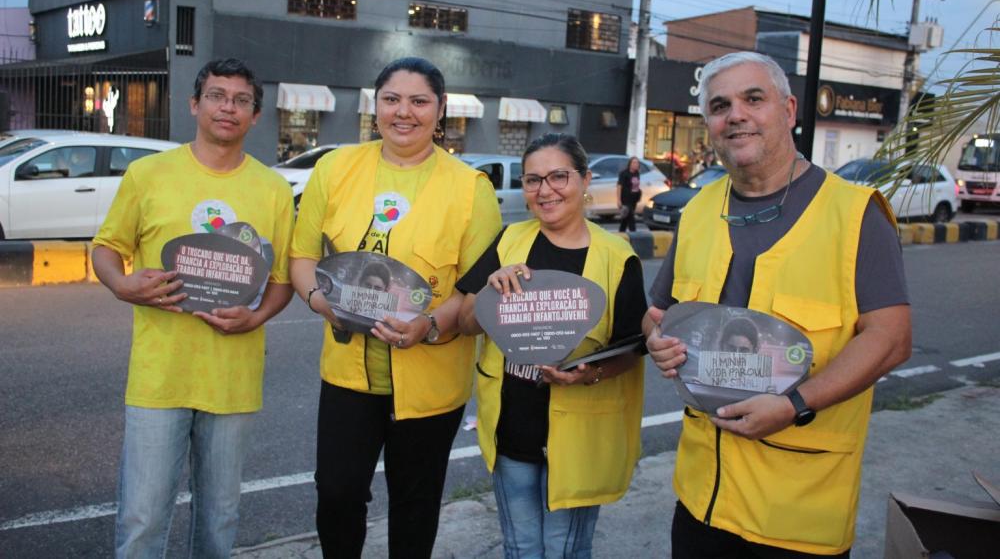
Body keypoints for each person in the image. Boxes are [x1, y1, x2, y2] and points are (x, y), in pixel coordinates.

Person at [643, 51, 911, 557]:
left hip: (799, 512)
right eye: (720, 105)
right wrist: (658, 340)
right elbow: (659, 311)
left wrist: (793, 405)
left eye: (753, 99)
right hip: (703, 499)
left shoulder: (854, 214)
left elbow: (891, 339)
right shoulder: (699, 210)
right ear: (709, 126)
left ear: (788, 111)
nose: (736, 114)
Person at [289, 56, 502, 559]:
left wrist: (428, 325)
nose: (403, 112)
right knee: (337, 493)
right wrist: (322, 302)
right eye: (391, 99)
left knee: (416, 502)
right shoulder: (335, 168)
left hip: (431, 382)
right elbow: (301, 256)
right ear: (375, 104)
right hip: (347, 376)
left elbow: (474, 291)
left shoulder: (471, 189)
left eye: (419, 101)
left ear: (440, 108)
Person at [92, 58, 295, 558]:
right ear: (194, 104)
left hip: (232, 380)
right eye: (217, 95)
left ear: (256, 115)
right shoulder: (149, 174)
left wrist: (257, 316)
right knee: (142, 518)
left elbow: (284, 279)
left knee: (219, 521)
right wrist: (122, 285)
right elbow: (105, 246)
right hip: (158, 377)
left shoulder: (272, 189)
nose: (228, 107)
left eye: (241, 100)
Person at [457, 133, 647, 558]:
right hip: (513, 430)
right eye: (533, 180)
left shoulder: (617, 257)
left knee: (564, 550)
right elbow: (465, 324)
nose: (545, 190)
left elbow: (633, 349)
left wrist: (588, 374)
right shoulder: (508, 242)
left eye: (558, 176)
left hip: (581, 434)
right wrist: (490, 293)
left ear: (584, 180)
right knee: (521, 548)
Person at [616, 155, 642, 232]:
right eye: (634, 162)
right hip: (625, 200)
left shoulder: (637, 173)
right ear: (630, 164)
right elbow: (619, 187)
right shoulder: (624, 173)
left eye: (637, 163)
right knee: (631, 219)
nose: (636, 164)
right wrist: (618, 200)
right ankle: (635, 237)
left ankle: (621, 233)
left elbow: (636, 186)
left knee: (625, 220)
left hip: (633, 200)